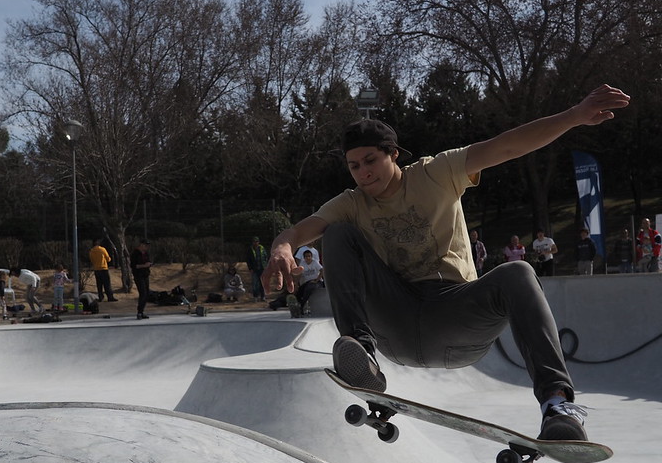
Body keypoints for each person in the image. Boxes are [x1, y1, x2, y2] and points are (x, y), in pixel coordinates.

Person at [261, 83, 630, 442]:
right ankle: (361, 353)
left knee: (519, 272)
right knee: (337, 234)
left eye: (371, 160)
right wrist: (281, 249)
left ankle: (557, 406)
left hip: (455, 318)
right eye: (354, 166)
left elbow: (507, 146)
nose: (363, 173)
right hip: (396, 323)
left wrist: (573, 116)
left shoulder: (437, 173)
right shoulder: (351, 202)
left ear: (393, 154)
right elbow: (299, 231)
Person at [293, 249, 324, 316]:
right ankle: (298, 305)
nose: (308, 258)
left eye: (309, 256)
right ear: (304, 258)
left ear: (311, 257)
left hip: (317, 282)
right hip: (307, 282)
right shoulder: (302, 264)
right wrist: (296, 284)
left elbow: (322, 270)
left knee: (309, 288)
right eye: (306, 257)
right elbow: (299, 275)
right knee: (300, 290)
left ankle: (302, 306)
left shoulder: (315, 262)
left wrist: (317, 279)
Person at [130, 239, 152, 319]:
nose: (147, 247)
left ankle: (142, 311)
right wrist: (143, 266)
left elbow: (148, 261)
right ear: (141, 245)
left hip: (145, 274)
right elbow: (133, 266)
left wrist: (149, 264)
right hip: (138, 275)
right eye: (145, 245)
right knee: (143, 293)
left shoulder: (146, 253)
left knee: (146, 293)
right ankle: (139, 312)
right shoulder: (135, 253)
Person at [246, 236, 269, 302]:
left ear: (258, 242)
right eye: (254, 242)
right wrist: (250, 268)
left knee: (262, 283)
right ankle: (255, 297)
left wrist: (265, 266)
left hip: (262, 268)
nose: (255, 243)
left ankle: (263, 296)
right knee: (255, 284)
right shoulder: (250, 250)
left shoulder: (262, 248)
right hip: (254, 269)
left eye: (256, 241)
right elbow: (248, 260)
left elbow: (265, 257)